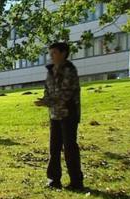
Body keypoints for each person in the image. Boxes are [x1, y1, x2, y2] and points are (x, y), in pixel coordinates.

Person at [34, 42, 84, 191]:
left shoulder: (69, 70)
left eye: (54, 53)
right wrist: (45, 100)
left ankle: (76, 181)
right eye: (51, 53)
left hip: (68, 114)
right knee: (54, 148)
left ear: (63, 53)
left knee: (70, 148)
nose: (51, 56)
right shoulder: (50, 71)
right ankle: (54, 179)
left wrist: (46, 102)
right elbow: (47, 90)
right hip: (54, 115)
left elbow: (66, 94)